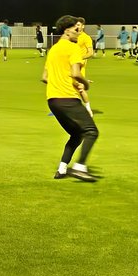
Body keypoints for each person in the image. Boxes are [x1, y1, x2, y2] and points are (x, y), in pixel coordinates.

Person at [43, 15, 98, 182]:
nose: (79, 32)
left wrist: (67, 81)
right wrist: (83, 83)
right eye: (76, 29)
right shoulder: (73, 48)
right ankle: (80, 167)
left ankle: (62, 169)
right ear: (67, 30)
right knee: (91, 131)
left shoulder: (53, 49)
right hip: (68, 99)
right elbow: (75, 73)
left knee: (76, 135)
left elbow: (45, 77)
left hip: (52, 101)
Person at [73, 17, 96, 115]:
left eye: (78, 25)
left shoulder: (86, 38)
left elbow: (90, 53)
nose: (76, 26)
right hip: (71, 64)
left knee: (80, 88)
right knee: (68, 86)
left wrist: (80, 57)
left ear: (83, 26)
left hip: (80, 66)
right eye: (75, 25)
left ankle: (88, 109)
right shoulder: (73, 36)